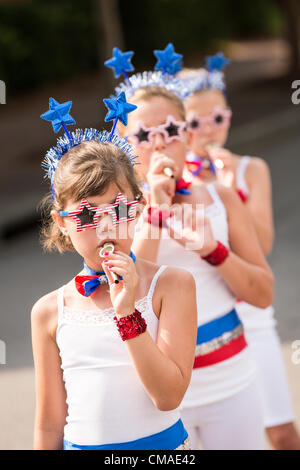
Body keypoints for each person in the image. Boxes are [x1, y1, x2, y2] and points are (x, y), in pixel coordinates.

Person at [111, 44, 274, 450]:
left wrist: (213, 250)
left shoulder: (222, 198)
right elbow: (131, 289)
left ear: (187, 133)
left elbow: (262, 292)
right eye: (144, 135)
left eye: (171, 131)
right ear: (124, 143)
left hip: (231, 379)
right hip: (154, 395)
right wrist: (155, 210)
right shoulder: (114, 213)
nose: (160, 145)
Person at [31, 95, 197, 450]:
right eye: (88, 215)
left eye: (118, 210)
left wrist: (127, 314)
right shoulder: (48, 311)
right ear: (62, 222)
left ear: (137, 209)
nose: (105, 228)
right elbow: (48, 426)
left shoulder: (172, 285)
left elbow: (168, 397)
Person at [182, 53, 300, 450]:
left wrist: (233, 189)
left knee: (281, 430)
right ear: (181, 127)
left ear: (229, 116)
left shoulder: (252, 168)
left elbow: (261, 247)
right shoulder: (176, 181)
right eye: (195, 122)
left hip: (251, 307)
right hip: (205, 316)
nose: (209, 130)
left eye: (218, 118)